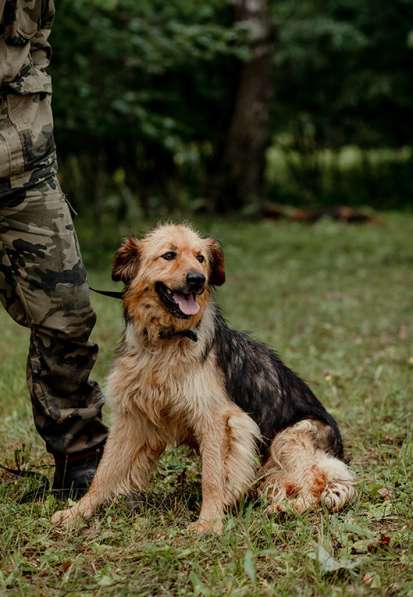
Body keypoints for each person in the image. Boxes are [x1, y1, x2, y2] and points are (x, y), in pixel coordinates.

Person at [0, 0, 107, 496]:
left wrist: (34, 125)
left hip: (24, 167)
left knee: (68, 311)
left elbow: (36, 44)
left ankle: (80, 458)